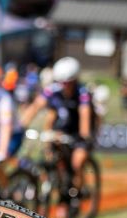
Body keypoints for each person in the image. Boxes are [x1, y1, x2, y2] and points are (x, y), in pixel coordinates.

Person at [41, 58, 96, 191]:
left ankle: (77, 190)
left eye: (67, 83)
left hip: (79, 132)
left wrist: (84, 135)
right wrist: (21, 125)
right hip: (63, 131)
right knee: (50, 156)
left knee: (77, 162)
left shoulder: (83, 92)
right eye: (61, 82)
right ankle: (58, 184)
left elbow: (84, 114)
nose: (64, 86)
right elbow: (40, 107)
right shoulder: (54, 91)